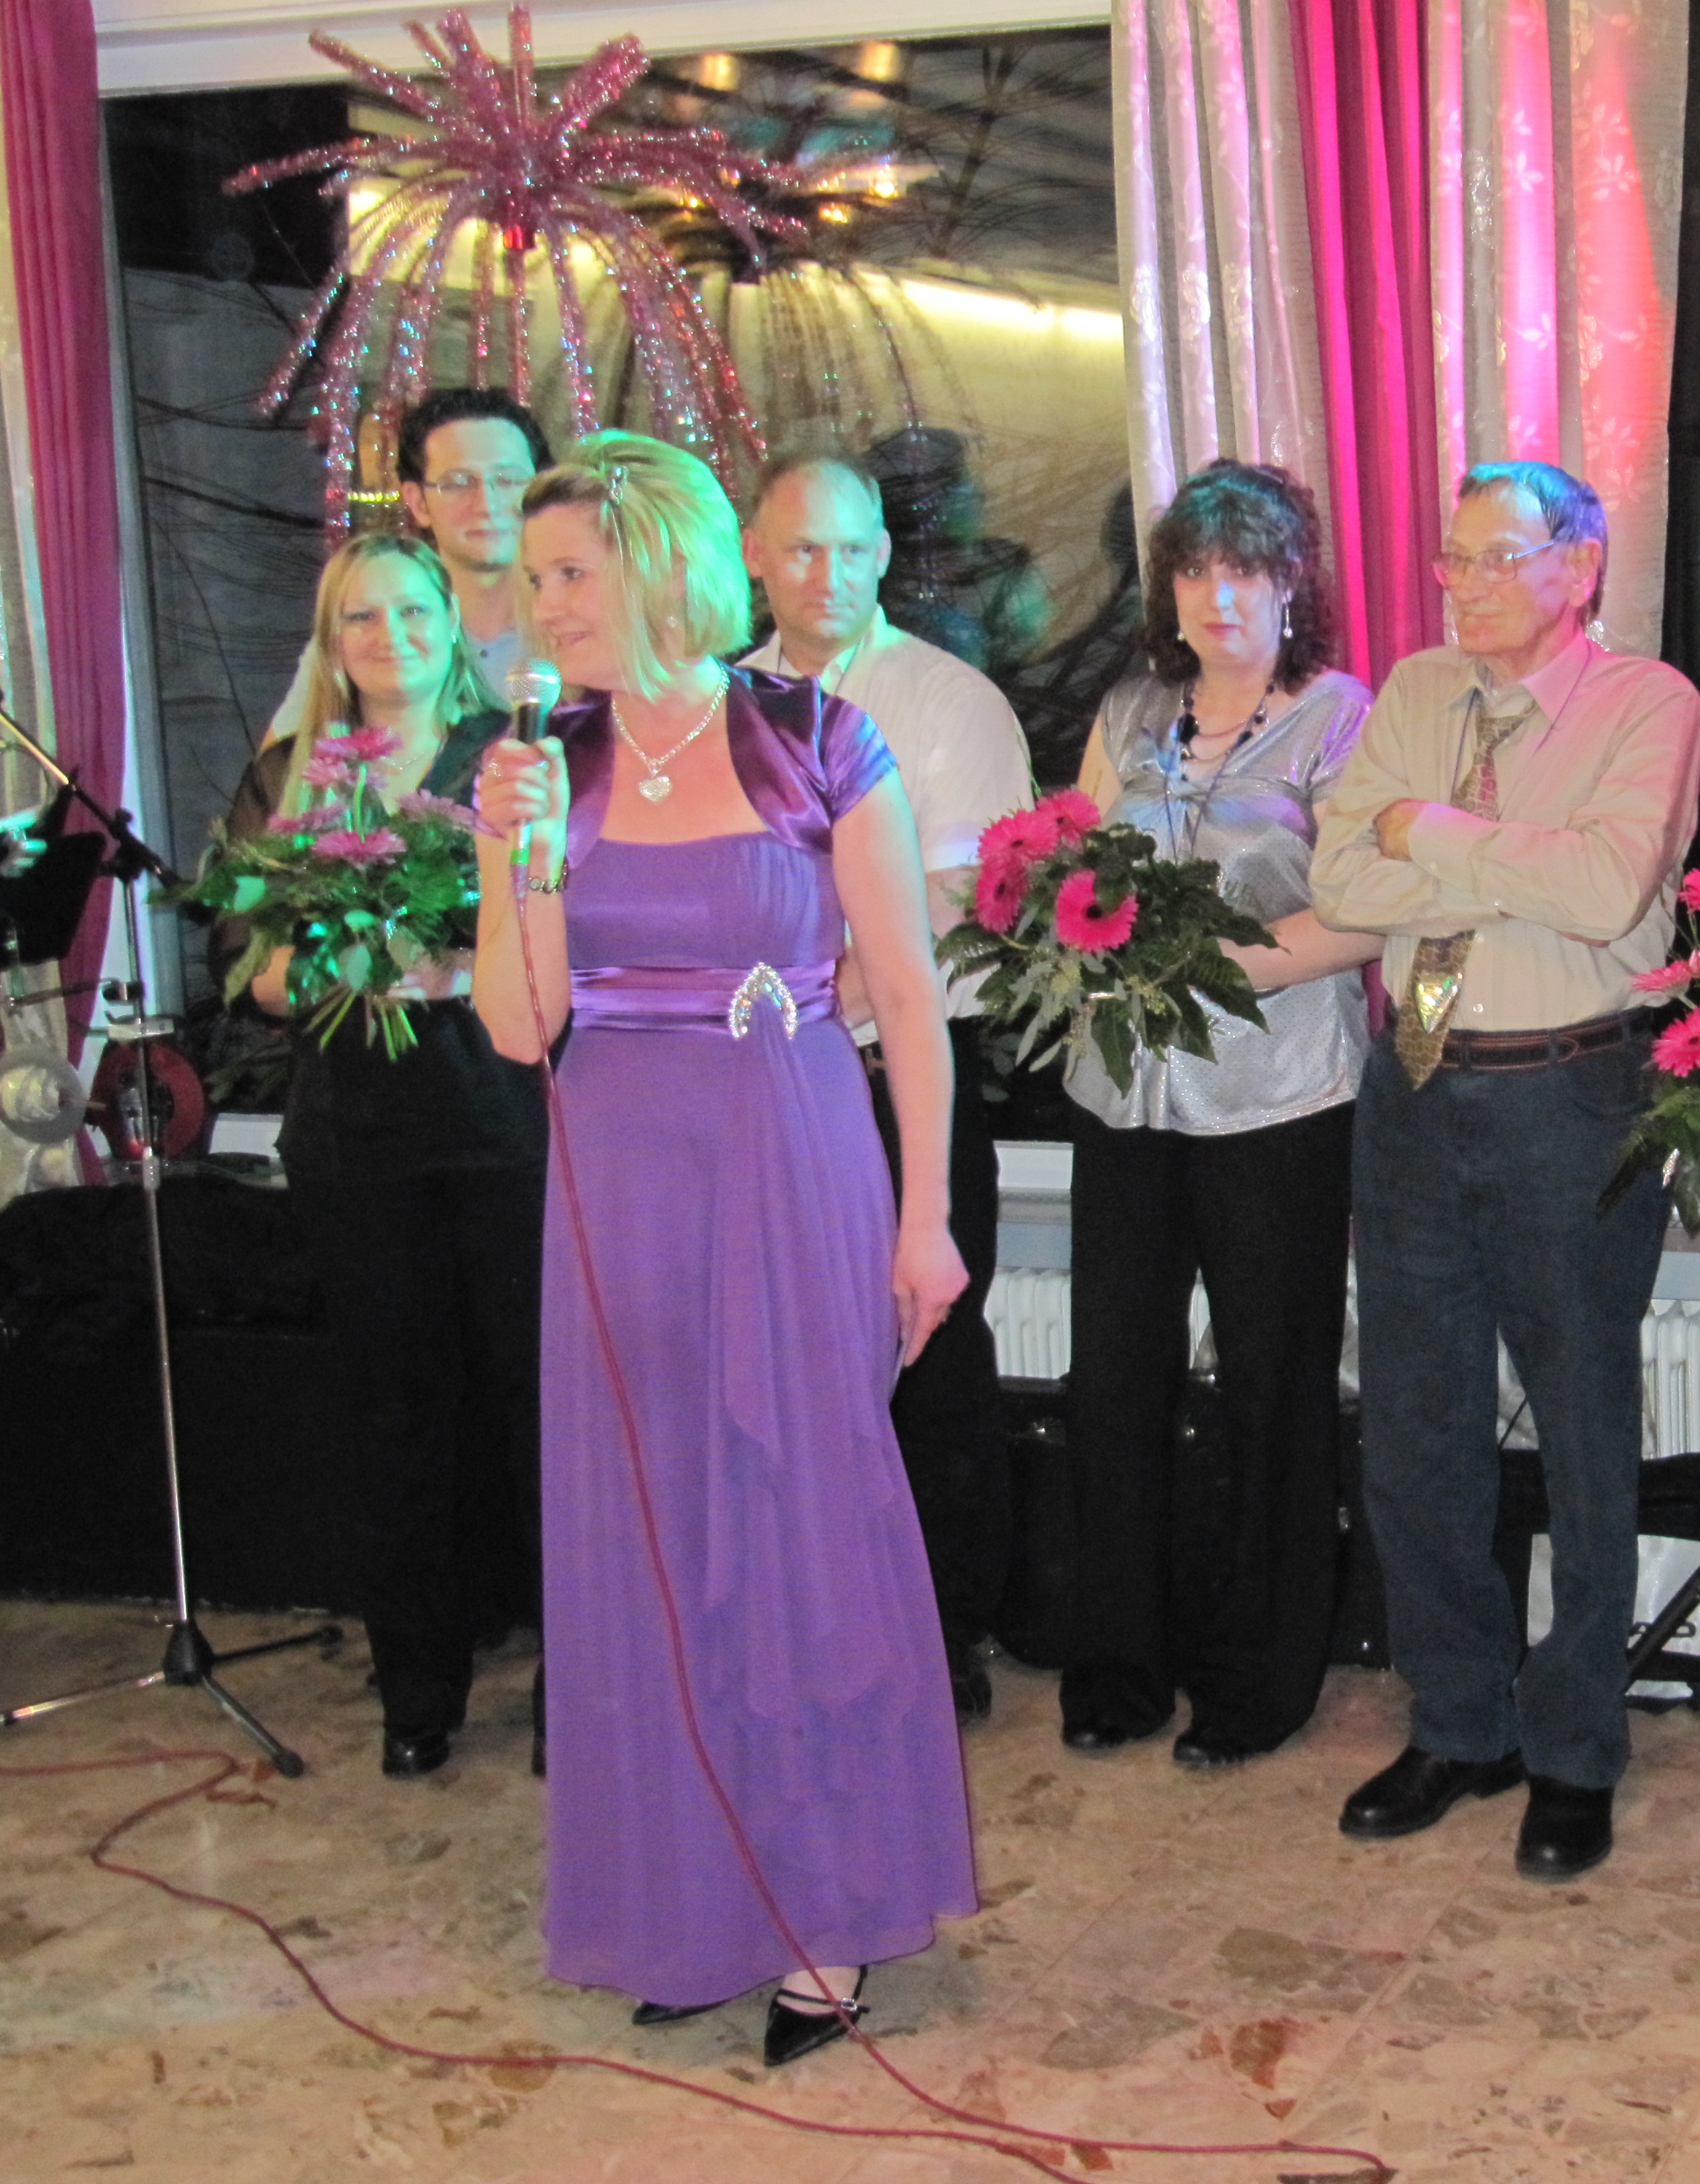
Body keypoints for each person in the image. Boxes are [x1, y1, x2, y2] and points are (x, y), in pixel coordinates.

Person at [473, 431, 976, 2068]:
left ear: (657, 561)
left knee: (801, 1529)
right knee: (647, 1541)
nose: (543, 606)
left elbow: (910, 1000)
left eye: (569, 572)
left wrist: (925, 1220)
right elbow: (520, 1023)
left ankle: (827, 1913)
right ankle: (693, 1911)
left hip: (789, 1155)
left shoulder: (813, 738)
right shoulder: (546, 760)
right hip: (616, 1181)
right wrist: (508, 850)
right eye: (536, 579)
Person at [1311, 459, 1700, 1883]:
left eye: (1497, 556)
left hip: (1569, 1092)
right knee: (1416, 1428)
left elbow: (1604, 891)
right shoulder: (1418, 693)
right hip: (1413, 1086)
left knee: (1583, 1428)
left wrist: (1424, 831)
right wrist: (1504, 858)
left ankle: (1576, 1746)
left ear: (1577, 567)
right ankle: (1458, 1723)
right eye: (1452, 557)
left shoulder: (1646, 703)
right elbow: (1339, 882)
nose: (1463, 584)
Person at [1059, 460, 1379, 1768]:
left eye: (1245, 569)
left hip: (1277, 1100)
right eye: (1195, 570)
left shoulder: (1342, 717)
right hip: (1120, 1095)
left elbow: (1364, 914)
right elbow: (1068, 866)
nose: (1219, 596)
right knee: (1114, 1385)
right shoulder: (1133, 708)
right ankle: (1120, 1663)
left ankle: (1264, 1675)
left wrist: (1209, 966)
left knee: (1272, 1389)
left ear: (1292, 582)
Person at [218, 534, 545, 1780]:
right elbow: (247, 971)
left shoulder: (507, 757)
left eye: (413, 612)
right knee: (395, 1422)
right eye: (362, 618)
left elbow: (560, 922)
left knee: (533, 1416)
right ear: (332, 640)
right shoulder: (289, 775)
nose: (390, 637)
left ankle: (578, 1686)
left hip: (502, 1131)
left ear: (450, 626)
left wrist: (455, 966)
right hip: (355, 1144)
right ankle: (418, 1691)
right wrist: (327, 965)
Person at [740, 449, 1034, 1724]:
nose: (831, 573)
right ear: (755, 556)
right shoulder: (715, 706)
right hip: (760, 1087)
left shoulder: (949, 700)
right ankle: (802, 1623)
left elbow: (972, 890)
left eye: (855, 548)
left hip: (902, 1079)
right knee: (783, 1368)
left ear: (885, 556)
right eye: (805, 548)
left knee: (931, 1361)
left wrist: (823, 987)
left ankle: (944, 1632)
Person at [266, 389, 551, 741]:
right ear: (417, 502)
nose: (486, 504)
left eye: (508, 481)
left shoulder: (575, 627)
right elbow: (282, 766)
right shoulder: (374, 637)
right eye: (458, 483)